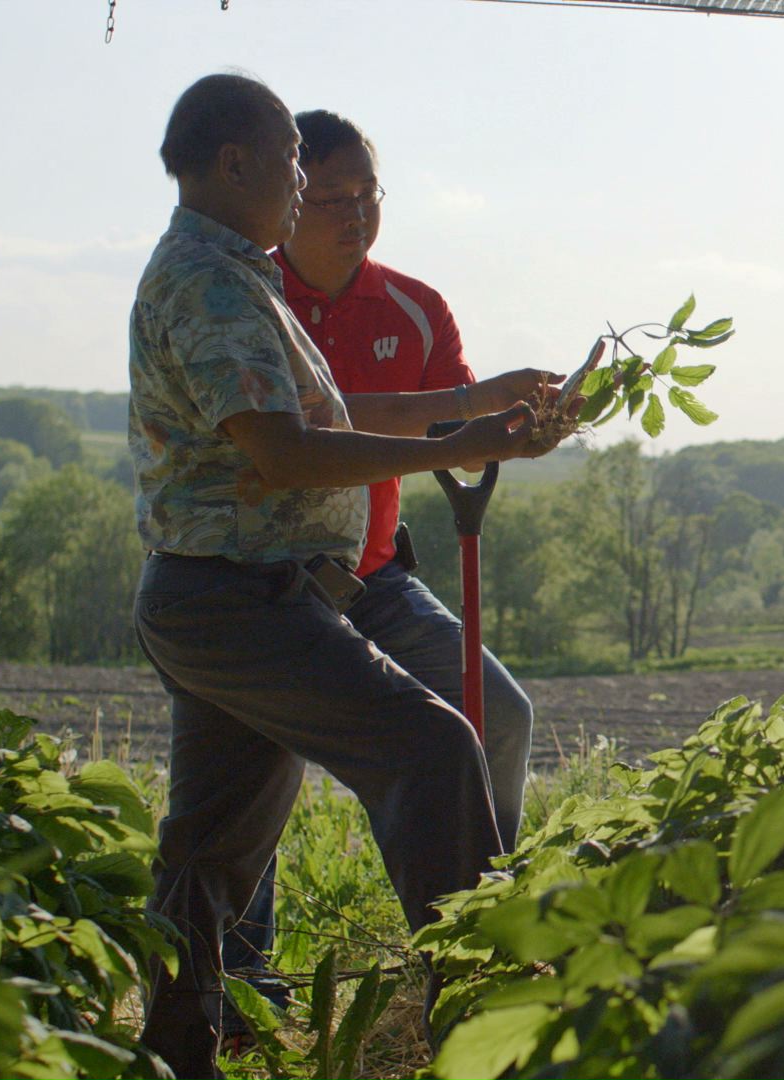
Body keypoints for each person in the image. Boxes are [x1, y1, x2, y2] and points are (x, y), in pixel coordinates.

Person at [128, 73, 568, 1080]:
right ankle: (483, 1030)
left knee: (210, 855)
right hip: (242, 601)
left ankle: (171, 1055)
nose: (302, 184)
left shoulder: (233, 273)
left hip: (230, 596)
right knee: (432, 746)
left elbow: (328, 417)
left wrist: (478, 409)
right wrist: (468, 436)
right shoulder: (212, 281)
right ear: (234, 163)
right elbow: (283, 454)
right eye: (293, 163)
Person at [218, 109, 541, 1028]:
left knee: (502, 717)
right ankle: (243, 985)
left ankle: (474, 925)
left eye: (370, 196)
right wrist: (464, 408)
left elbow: (454, 435)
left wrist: (516, 432)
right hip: (268, 585)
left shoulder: (414, 306)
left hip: (375, 578)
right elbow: (308, 421)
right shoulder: (249, 296)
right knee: (253, 778)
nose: (356, 216)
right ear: (285, 200)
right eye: (332, 198)